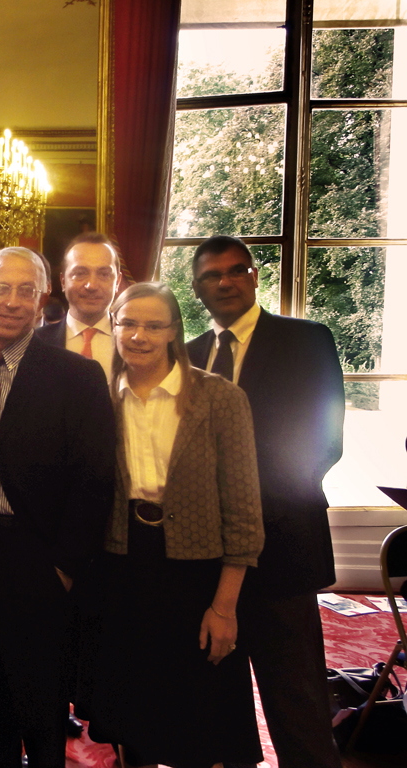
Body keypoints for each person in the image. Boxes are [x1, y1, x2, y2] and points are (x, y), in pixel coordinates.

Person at [0, 247, 115, 768]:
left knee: (40, 701)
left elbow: (95, 480)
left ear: (43, 299)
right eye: (2, 289)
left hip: (36, 556)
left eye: (26, 290)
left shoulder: (77, 376)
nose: (12, 302)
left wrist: (63, 568)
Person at [80, 282, 264, 768]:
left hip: (195, 569)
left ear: (174, 332)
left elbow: (244, 510)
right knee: (131, 696)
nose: (139, 336)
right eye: (128, 324)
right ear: (113, 327)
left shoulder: (219, 398)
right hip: (123, 562)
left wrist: (225, 607)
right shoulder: (101, 400)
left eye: (153, 325)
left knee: (198, 708)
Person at [186, 235, 345, 768]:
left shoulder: (307, 341)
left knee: (296, 700)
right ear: (197, 287)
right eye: (213, 275)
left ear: (255, 277)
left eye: (237, 271)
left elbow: (324, 443)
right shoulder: (187, 356)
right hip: (205, 563)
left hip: (282, 550)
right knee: (218, 712)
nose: (226, 282)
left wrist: (245, 518)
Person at [35, 232, 122, 380]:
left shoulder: (134, 342)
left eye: (104, 274)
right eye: (80, 273)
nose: (91, 285)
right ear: (63, 282)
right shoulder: (36, 344)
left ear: (118, 282)